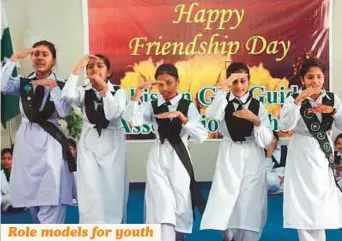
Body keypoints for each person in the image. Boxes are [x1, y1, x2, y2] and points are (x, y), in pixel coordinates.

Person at [122, 63, 207, 241]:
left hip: (180, 160)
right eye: (160, 84)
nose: (165, 88)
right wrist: (137, 94)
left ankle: (178, 236)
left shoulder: (187, 105)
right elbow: (131, 120)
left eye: (169, 83)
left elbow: (201, 136)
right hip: (158, 158)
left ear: (177, 81)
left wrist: (182, 118)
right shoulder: (151, 105)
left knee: (180, 203)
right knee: (161, 203)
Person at [0, 40, 75, 223]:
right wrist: (14, 58)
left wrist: (54, 88)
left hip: (51, 143)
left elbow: (64, 111)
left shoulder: (62, 84)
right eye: (36, 54)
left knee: (52, 196)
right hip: (26, 144)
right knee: (31, 197)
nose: (40, 58)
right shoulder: (23, 83)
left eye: (45, 54)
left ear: (53, 60)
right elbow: (2, 85)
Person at [200, 62, 273, 241]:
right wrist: (223, 90)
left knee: (251, 196)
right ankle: (229, 235)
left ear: (249, 81)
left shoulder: (257, 105)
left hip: (252, 153)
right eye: (234, 82)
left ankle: (249, 237)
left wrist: (256, 121)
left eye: (243, 81)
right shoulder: (223, 100)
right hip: (229, 153)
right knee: (227, 196)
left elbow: (267, 140)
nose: (239, 86)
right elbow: (211, 115)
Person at [279, 57, 342, 241]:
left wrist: (332, 111)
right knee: (302, 198)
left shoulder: (331, 98)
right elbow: (285, 125)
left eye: (319, 76)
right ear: (302, 80)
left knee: (321, 196)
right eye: (310, 77)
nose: (315, 81)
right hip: (301, 151)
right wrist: (299, 100)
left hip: (323, 152)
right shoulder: (293, 98)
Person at [62, 54, 129, 223]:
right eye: (90, 66)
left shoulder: (119, 92)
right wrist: (78, 68)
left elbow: (112, 114)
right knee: (90, 187)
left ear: (109, 72)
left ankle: (113, 227)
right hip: (89, 142)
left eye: (99, 66)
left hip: (112, 142)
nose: (94, 69)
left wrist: (105, 90)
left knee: (113, 187)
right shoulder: (83, 91)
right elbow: (67, 97)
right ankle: (92, 229)